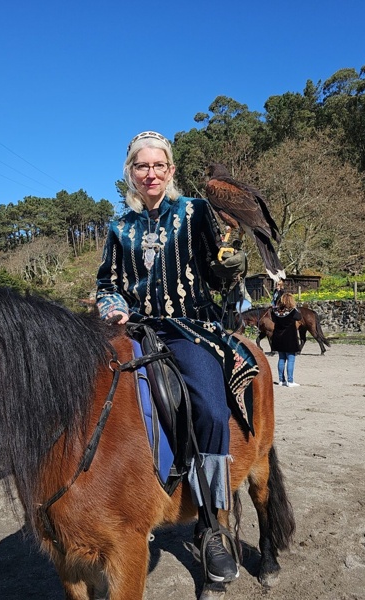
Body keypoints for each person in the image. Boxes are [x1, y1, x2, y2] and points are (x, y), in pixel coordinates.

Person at [95, 131, 259, 583]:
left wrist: (230, 265)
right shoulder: (118, 228)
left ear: (170, 171)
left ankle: (209, 526)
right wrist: (114, 308)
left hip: (189, 328)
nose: (150, 173)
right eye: (141, 166)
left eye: (158, 165)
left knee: (207, 405)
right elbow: (107, 284)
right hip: (134, 331)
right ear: (130, 172)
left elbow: (216, 262)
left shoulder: (193, 211)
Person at [270, 292, 302, 387]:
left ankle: (281, 380)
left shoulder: (275, 311)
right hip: (290, 338)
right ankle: (290, 381)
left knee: (281, 359)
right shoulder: (293, 311)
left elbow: (274, 320)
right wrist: (295, 308)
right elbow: (299, 317)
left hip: (278, 337)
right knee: (290, 359)